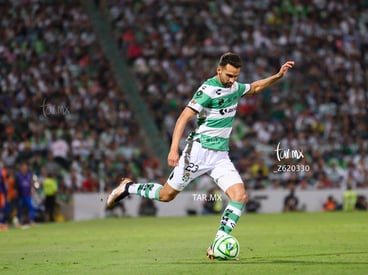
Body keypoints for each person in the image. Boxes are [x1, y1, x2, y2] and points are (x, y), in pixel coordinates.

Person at [106, 52, 294, 259]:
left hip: (220, 156)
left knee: (240, 196)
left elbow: (255, 87)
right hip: (197, 153)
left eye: (236, 76)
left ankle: (217, 244)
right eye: (230, 75)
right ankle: (128, 187)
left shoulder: (234, 87)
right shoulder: (208, 90)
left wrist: (277, 76)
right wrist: (173, 149)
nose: (233, 80)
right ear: (219, 70)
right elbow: (183, 117)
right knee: (166, 195)